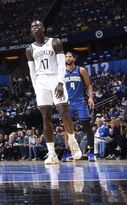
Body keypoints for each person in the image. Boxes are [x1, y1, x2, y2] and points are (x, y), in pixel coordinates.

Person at [25, 20, 82, 165]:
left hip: (55, 77)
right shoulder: (29, 49)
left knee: (64, 112)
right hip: (41, 81)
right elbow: (32, 72)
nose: (35, 28)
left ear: (43, 28)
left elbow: (62, 64)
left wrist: (61, 83)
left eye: (38, 25)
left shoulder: (55, 42)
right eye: (33, 26)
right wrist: (36, 88)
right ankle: (52, 154)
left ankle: (72, 141)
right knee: (45, 118)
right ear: (31, 31)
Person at [63, 52, 96, 161]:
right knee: (67, 129)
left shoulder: (81, 70)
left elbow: (88, 85)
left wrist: (90, 97)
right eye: (66, 57)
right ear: (64, 59)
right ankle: (68, 153)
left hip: (80, 101)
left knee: (87, 127)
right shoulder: (61, 72)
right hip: (68, 103)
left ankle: (91, 153)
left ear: (74, 58)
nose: (68, 58)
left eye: (70, 56)